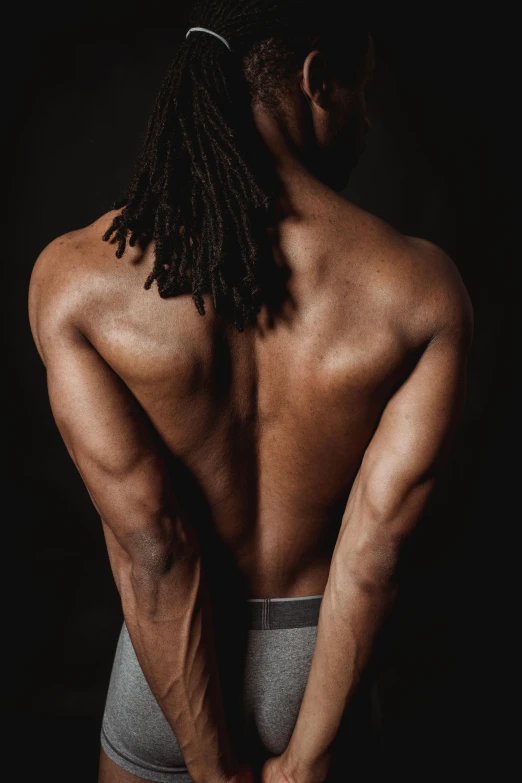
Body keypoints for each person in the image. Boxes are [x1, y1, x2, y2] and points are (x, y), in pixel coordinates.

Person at [28, 1, 472, 781]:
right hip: (321, 671)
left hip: (172, 674)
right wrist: (308, 760)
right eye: (358, 89)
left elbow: (156, 551)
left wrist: (211, 769)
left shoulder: (77, 282)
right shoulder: (421, 291)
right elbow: (375, 554)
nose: (366, 117)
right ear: (315, 79)